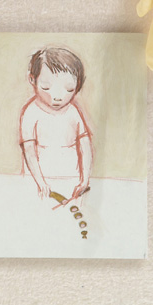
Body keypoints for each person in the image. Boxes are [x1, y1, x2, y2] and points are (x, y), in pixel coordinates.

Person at [19, 47, 93, 205]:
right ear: (32, 80)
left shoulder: (73, 112)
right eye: (46, 87)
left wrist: (85, 179)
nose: (58, 97)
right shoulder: (30, 113)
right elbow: (29, 151)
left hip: (72, 181)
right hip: (38, 182)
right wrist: (41, 182)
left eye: (69, 89)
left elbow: (85, 145)